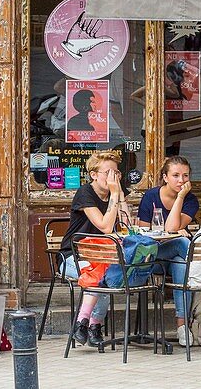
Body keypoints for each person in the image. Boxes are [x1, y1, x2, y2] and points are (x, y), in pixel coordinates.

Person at [137, 155, 201, 347]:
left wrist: (180, 198)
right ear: (165, 177)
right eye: (176, 175)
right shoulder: (151, 196)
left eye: (185, 176)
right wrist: (176, 230)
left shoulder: (191, 200)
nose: (181, 180)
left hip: (173, 259)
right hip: (150, 256)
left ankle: (182, 326)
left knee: (180, 262)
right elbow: (150, 234)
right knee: (182, 243)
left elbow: (172, 226)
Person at [62, 150, 129, 349]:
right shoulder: (85, 193)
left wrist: (120, 195)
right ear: (94, 175)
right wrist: (115, 194)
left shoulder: (116, 193)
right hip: (73, 257)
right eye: (108, 172)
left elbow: (127, 226)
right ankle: (91, 324)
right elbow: (106, 227)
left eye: (116, 173)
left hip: (103, 256)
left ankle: (88, 325)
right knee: (101, 275)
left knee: (106, 272)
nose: (113, 177)